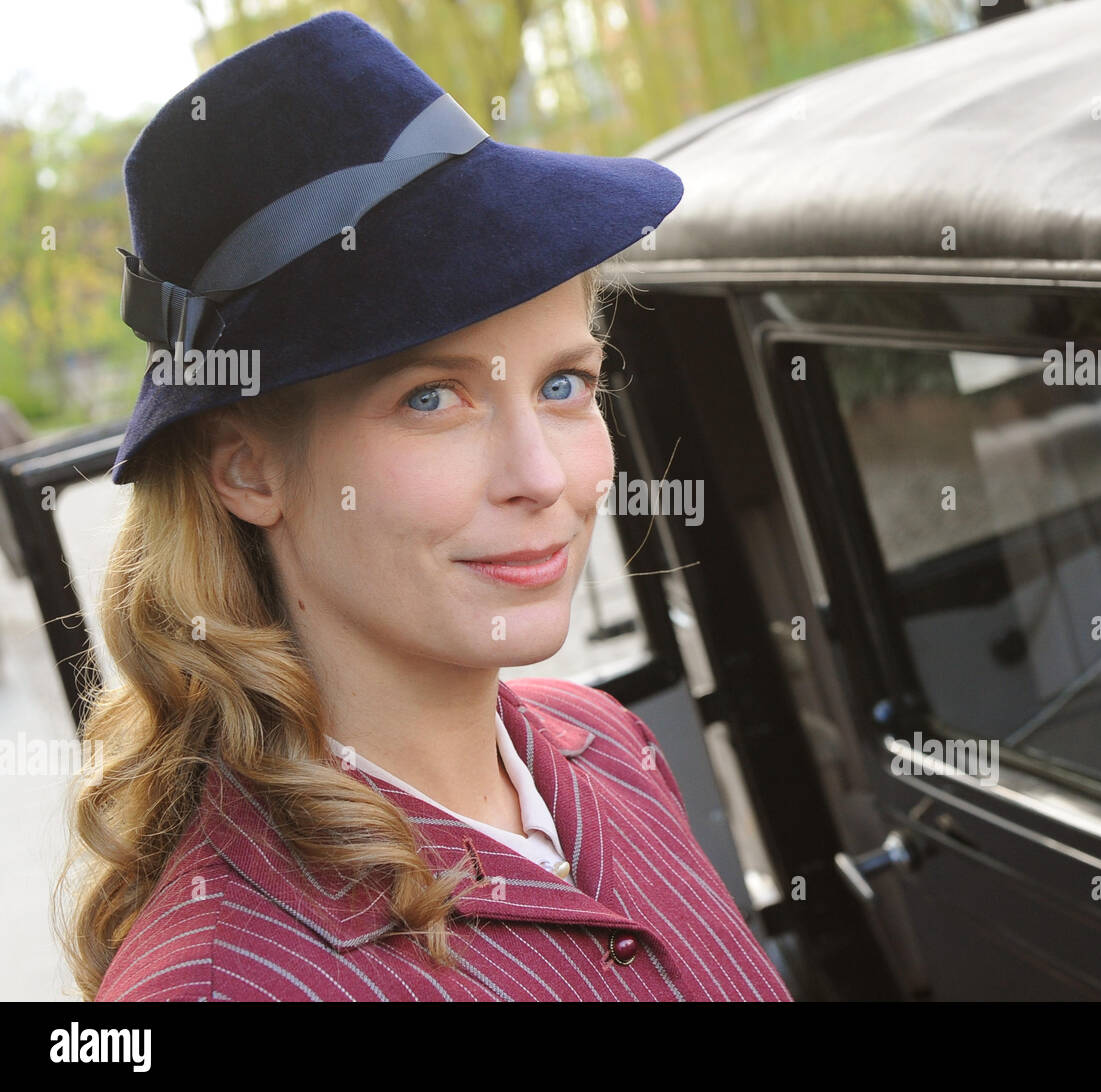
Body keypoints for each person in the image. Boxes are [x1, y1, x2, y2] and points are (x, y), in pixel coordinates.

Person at [54, 10, 791, 1003]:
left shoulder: (605, 743)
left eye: (565, 384)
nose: (540, 475)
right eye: (432, 399)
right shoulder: (221, 986)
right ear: (246, 472)